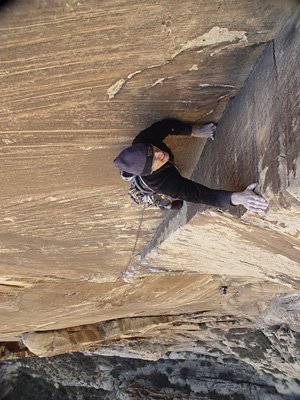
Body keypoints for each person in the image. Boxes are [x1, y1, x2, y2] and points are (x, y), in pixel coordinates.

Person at [113, 119, 268, 212]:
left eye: (154, 149)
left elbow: (167, 126)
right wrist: (238, 198)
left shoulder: (144, 140)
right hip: (153, 188)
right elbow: (199, 194)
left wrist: (196, 131)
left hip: (157, 170)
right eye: (154, 159)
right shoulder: (163, 184)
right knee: (176, 204)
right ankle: (160, 202)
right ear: (150, 171)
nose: (160, 153)